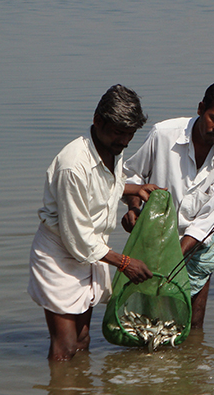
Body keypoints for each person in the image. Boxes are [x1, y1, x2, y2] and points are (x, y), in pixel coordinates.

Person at [28, 84, 158, 361]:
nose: (124, 141)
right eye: (118, 133)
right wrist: (125, 263)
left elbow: (106, 186)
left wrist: (134, 190)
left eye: (130, 135)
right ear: (98, 121)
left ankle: (81, 387)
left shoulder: (113, 149)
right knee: (64, 346)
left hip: (93, 252)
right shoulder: (73, 165)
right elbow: (77, 236)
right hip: (61, 254)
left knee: (83, 339)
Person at [122, 80, 214, 328]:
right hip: (153, 240)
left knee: (191, 321)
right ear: (201, 108)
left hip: (196, 248)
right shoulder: (163, 134)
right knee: (148, 318)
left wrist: (174, 259)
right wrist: (133, 208)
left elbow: (207, 221)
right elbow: (133, 176)